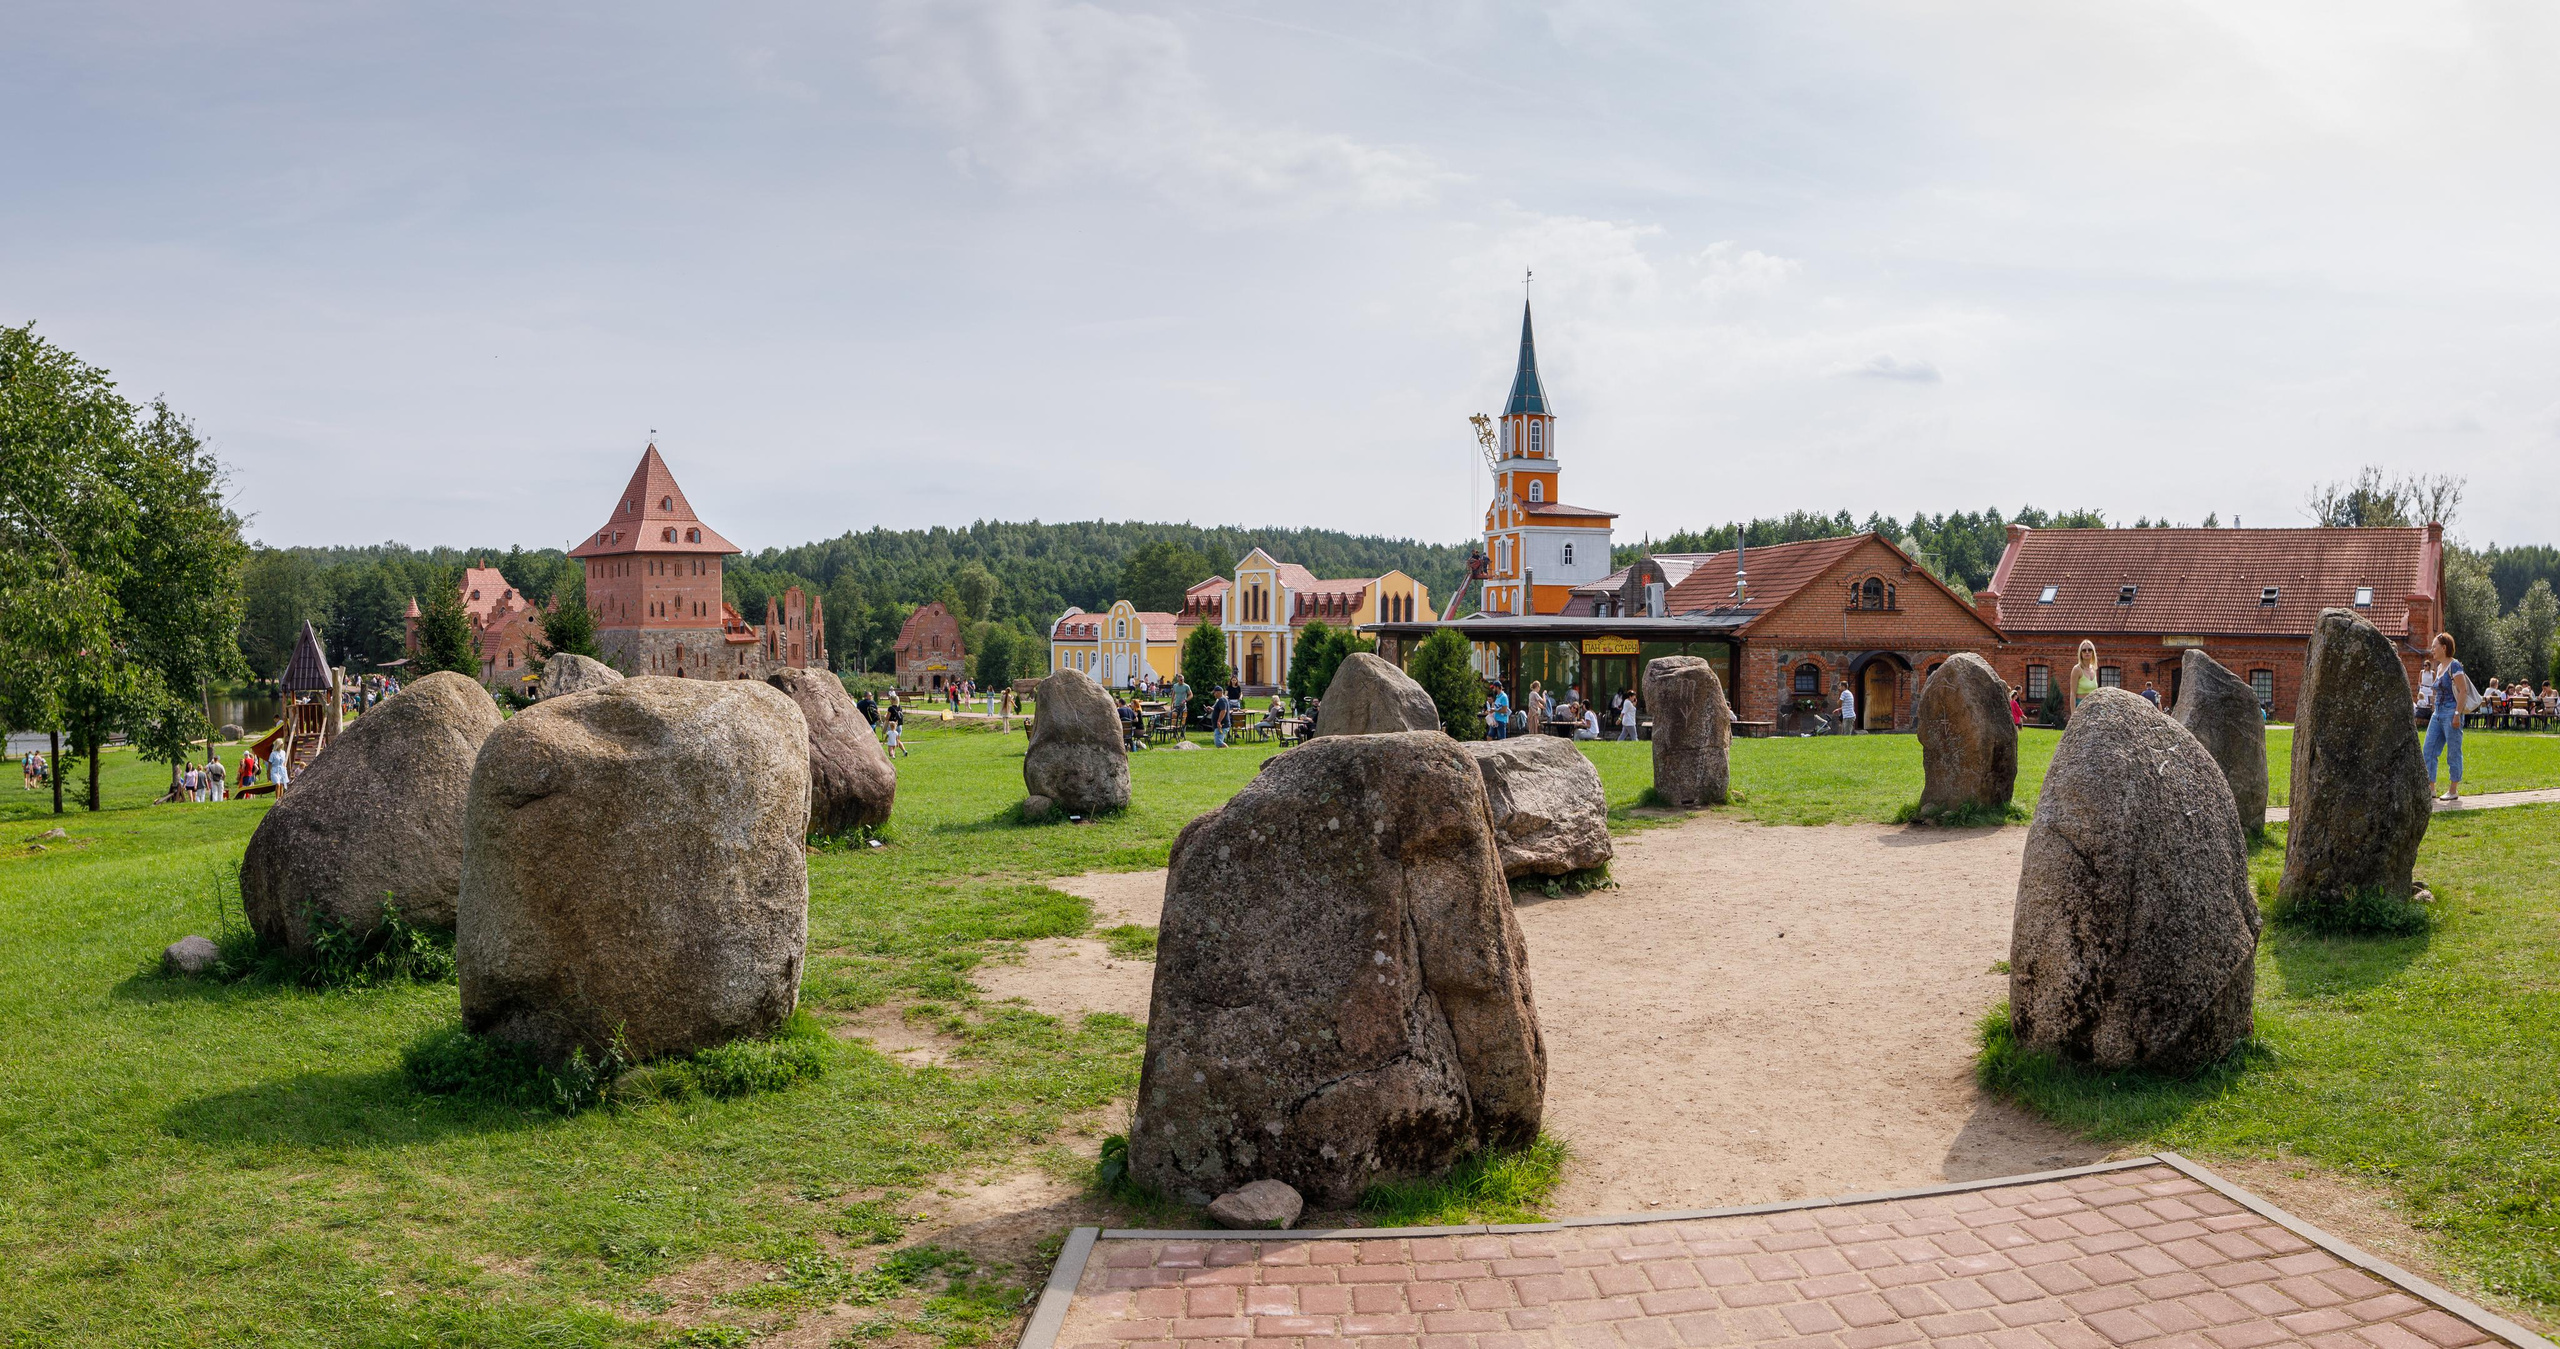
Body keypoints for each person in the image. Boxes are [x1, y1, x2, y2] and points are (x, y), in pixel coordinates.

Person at [2422, 632, 2468, 803]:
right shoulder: (2439, 667)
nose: (2432, 649)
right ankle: (2430, 788)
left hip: (2451, 712)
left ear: (2444, 647)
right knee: (2429, 749)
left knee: (2453, 752)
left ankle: (2453, 789)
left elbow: (2463, 691)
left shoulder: (2454, 666)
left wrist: (2457, 713)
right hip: (2438, 713)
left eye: (2434, 646)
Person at [2067, 641, 2101, 721]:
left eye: (2089, 650)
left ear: (2093, 652)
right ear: (2080, 653)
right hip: (2080, 705)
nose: (2087, 652)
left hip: (2093, 706)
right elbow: (2072, 694)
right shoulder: (2077, 669)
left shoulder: (2094, 669)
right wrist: (2073, 715)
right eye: (2084, 650)